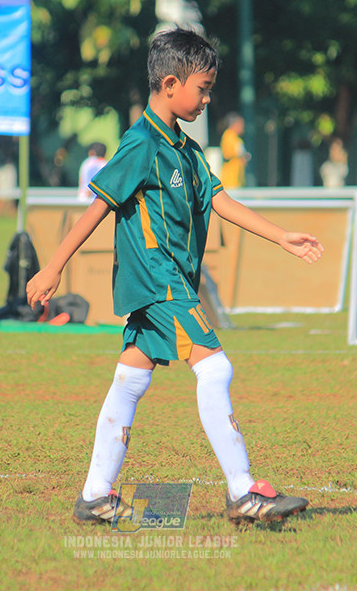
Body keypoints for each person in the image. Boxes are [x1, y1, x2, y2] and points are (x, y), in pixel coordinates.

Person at [26, 28, 324, 526]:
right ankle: (243, 491)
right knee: (215, 368)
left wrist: (280, 236)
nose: (208, 98)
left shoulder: (185, 149)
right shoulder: (140, 143)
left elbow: (218, 199)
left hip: (167, 283)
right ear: (169, 83)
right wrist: (53, 266)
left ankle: (95, 495)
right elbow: (98, 207)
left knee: (130, 378)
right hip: (158, 281)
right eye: (203, 88)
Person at [220, 112, 250, 189]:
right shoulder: (229, 136)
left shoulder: (237, 138)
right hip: (231, 180)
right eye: (241, 124)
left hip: (238, 179)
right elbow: (227, 154)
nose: (243, 127)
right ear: (235, 124)